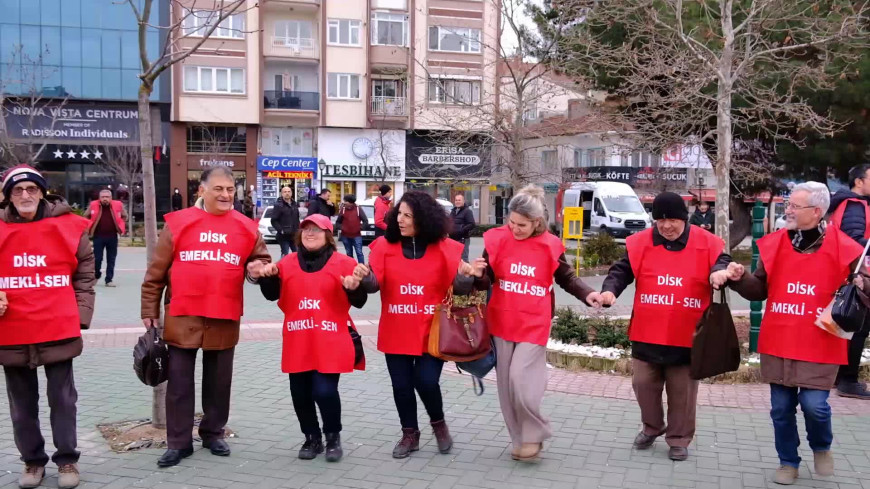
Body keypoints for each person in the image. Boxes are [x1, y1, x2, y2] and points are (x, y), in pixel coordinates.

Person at [726, 182, 870, 485]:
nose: (787, 210)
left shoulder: (846, 248)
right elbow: (759, 290)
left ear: (816, 212)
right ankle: (788, 461)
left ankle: (821, 445)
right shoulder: (776, 242)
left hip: (821, 341)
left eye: (794, 206)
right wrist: (740, 279)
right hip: (779, 339)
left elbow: (866, 291)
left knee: (814, 406)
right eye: (788, 204)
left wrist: (862, 285)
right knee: (780, 408)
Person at [141, 166, 271, 468]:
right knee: (180, 385)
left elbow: (261, 259)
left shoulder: (246, 226)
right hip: (182, 314)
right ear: (202, 190)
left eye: (230, 189)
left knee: (219, 382)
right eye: (219, 189)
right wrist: (149, 310)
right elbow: (155, 273)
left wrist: (257, 268)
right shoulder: (178, 224)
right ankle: (178, 443)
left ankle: (213, 433)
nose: (226, 195)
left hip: (224, 315)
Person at [591, 192, 732, 462]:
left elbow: (721, 262)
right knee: (643, 384)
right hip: (647, 330)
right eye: (660, 220)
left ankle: (679, 439)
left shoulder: (707, 242)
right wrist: (610, 292)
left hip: (689, 333)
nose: (667, 226)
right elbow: (621, 271)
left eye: (673, 220)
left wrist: (719, 272)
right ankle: (652, 426)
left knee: (683, 392)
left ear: (684, 218)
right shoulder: (639, 243)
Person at [470, 185, 597, 462]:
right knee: (505, 385)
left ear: (537, 222)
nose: (515, 228)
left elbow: (566, 277)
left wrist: (589, 294)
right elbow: (485, 280)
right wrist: (477, 274)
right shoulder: (497, 240)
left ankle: (534, 433)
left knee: (520, 378)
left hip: (534, 321)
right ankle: (521, 441)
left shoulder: (549, 244)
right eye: (511, 222)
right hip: (501, 319)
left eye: (522, 225)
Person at [360, 191, 482, 459]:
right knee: (401, 385)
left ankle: (438, 425)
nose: (401, 220)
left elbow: (459, 290)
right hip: (396, 330)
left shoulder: (445, 248)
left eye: (408, 216)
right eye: (399, 214)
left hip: (433, 331)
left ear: (424, 219)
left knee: (426, 382)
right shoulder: (383, 248)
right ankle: (409, 434)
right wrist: (365, 277)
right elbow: (373, 285)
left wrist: (465, 277)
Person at [0, 165, 95, 489]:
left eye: (31, 189)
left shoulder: (68, 226)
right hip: (11, 331)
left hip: (58, 327)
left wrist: (79, 315)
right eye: (17, 190)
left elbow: (85, 275)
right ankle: (32, 462)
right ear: (8, 195)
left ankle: (67, 460)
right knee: (21, 404)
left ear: (42, 191)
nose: (25, 195)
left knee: (63, 400)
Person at [257, 214, 368, 462]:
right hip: (299, 339)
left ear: (328, 236)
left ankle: (332, 437)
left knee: (325, 391)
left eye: (317, 230)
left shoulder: (344, 263)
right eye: (306, 228)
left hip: (331, 339)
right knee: (300, 392)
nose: (310, 233)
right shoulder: (286, 263)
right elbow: (271, 295)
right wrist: (269, 278)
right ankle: (311, 438)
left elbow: (359, 302)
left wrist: (354, 287)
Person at [828, 163, 870, 400]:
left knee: (851, 326)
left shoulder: (849, 204)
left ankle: (841, 376)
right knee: (858, 326)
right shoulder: (854, 205)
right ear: (859, 182)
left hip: (848, 272)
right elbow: (853, 240)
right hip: (854, 275)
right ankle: (848, 379)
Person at [84, 188, 127, 288]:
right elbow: (86, 216)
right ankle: (96, 274)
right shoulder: (93, 205)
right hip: (98, 236)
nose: (105, 199)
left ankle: (109, 280)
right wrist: (89, 226)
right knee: (97, 258)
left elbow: (125, 216)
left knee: (111, 259)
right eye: (103, 197)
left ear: (111, 198)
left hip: (112, 236)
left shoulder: (118, 205)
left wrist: (121, 225)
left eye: (107, 197)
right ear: (99, 198)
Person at [335, 194, 368, 264]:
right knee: (349, 253)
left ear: (351, 202)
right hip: (345, 236)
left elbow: (365, 221)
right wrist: (342, 228)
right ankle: (350, 267)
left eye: (346, 201)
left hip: (357, 235)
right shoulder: (343, 210)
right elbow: (338, 222)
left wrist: (360, 228)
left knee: (359, 253)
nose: (344, 202)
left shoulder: (358, 209)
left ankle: (362, 268)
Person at [271, 186, 301, 258]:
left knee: (297, 254)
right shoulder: (278, 205)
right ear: (282, 194)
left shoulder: (295, 204)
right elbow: (273, 220)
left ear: (291, 193)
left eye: (289, 192)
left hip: (294, 234)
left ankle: (297, 268)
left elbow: (297, 218)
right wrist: (281, 230)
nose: (287, 193)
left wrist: (299, 229)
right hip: (284, 236)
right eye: (285, 192)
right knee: (285, 254)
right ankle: (282, 268)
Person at [449, 194, 476, 262]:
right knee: (454, 259)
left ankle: (465, 272)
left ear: (463, 201)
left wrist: (461, 230)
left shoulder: (467, 211)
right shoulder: (453, 211)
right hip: (453, 239)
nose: (457, 201)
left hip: (462, 239)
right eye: (456, 200)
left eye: (459, 200)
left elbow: (472, 224)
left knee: (463, 259)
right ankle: (456, 272)